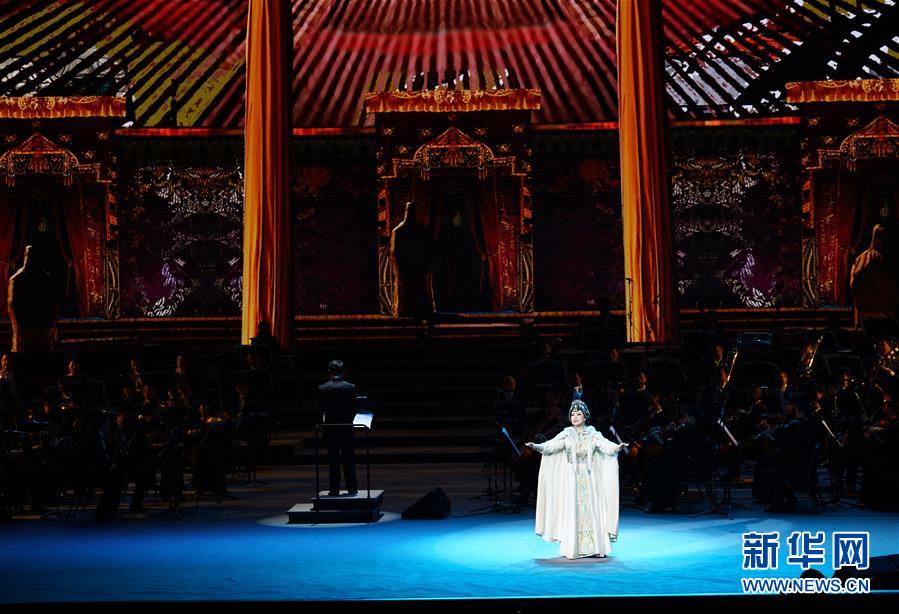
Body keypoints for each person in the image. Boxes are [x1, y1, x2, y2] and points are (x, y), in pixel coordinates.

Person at [526, 400, 627, 559]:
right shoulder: (567, 433)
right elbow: (552, 445)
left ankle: (594, 547)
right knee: (573, 509)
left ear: (585, 416)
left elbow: (606, 445)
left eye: (578, 414)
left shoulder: (593, 434)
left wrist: (617, 447)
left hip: (590, 477)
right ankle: (573, 547)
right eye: (572, 414)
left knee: (591, 509)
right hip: (572, 478)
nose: (575, 417)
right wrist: (538, 446)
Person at [318, 359, 358, 496]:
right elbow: (354, 408)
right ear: (344, 372)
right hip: (346, 427)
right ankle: (352, 487)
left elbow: (320, 410)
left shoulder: (323, 388)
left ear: (329, 372)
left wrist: (321, 424)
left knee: (333, 460)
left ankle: (334, 489)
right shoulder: (350, 387)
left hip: (330, 428)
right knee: (349, 458)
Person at [390, 201, 434, 318]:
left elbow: (428, 252)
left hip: (414, 272)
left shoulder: (401, 231)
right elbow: (396, 253)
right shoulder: (400, 231)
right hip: (411, 272)